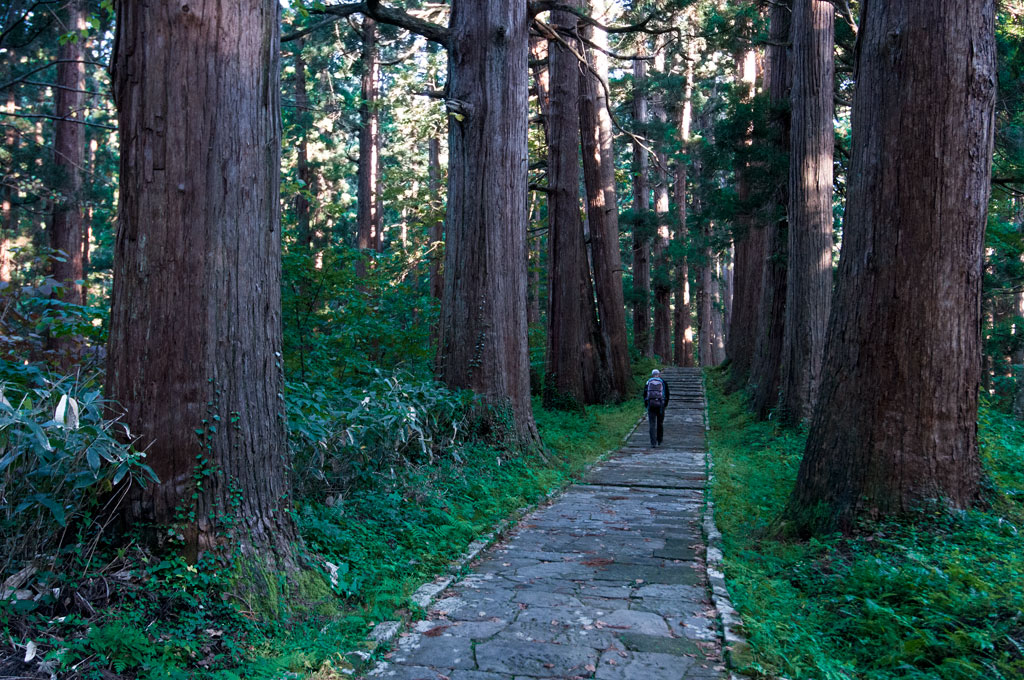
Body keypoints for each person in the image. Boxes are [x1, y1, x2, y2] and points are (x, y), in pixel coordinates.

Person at [643, 369, 670, 447]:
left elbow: (644, 394)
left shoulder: (648, 382)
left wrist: (646, 404)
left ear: (652, 375)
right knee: (660, 423)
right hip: (660, 405)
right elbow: (667, 394)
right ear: (659, 374)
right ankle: (659, 440)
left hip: (651, 405)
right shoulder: (663, 382)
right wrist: (665, 405)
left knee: (652, 423)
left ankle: (653, 442)